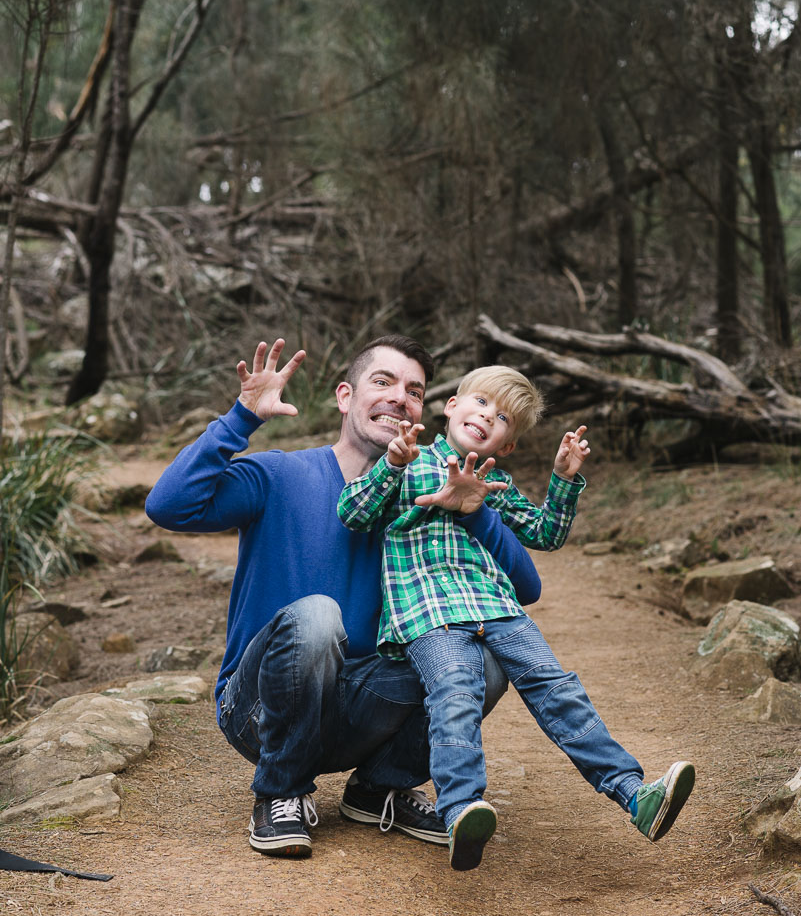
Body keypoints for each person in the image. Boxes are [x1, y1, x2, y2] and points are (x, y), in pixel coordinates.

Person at [145, 336, 542, 859]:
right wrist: (242, 417)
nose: (399, 397)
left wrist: (472, 512)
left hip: (363, 710)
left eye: (414, 391)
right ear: (344, 396)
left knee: (483, 657)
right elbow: (168, 506)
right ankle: (280, 790)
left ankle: (379, 788)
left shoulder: (431, 499)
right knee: (317, 616)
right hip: (261, 708)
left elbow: (526, 588)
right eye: (383, 381)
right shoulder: (280, 474)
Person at [337, 365, 696, 871]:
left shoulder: (496, 484)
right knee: (455, 693)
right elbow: (352, 513)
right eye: (481, 402)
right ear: (451, 407)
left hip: (498, 608)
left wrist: (564, 479)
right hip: (429, 611)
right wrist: (393, 464)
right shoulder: (408, 461)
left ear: (506, 446)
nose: (488, 416)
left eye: (503, 417)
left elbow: (546, 533)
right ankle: (460, 810)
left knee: (558, 689)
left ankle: (635, 794)